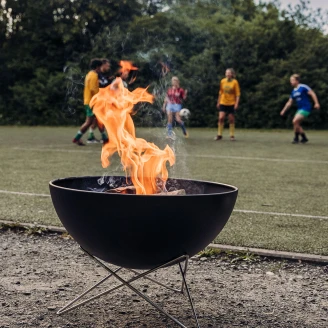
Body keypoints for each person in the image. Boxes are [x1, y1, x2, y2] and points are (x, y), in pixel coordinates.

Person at [72, 58, 108, 146]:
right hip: (93, 102)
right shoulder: (94, 75)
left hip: (89, 101)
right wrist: (101, 96)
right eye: (100, 67)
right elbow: (93, 89)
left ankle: (105, 139)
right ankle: (77, 138)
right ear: (97, 67)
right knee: (89, 121)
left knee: (98, 120)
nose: (100, 69)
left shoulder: (89, 74)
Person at [280, 74, 320, 144]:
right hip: (300, 109)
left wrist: (316, 103)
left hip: (306, 107)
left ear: (297, 81)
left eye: (292, 80)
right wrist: (284, 110)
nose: (291, 82)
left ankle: (296, 138)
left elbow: (312, 93)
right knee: (296, 123)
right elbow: (289, 102)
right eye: (290, 80)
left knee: (295, 121)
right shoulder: (293, 91)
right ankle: (303, 138)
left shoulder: (303, 87)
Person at [87, 58, 111, 143]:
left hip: (101, 99)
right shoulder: (97, 74)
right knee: (98, 119)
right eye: (107, 65)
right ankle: (102, 137)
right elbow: (97, 87)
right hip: (98, 100)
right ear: (102, 65)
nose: (108, 67)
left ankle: (93, 136)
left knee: (95, 119)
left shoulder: (101, 74)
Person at [215, 68, 240, 141]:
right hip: (223, 102)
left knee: (231, 119)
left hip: (231, 103)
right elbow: (220, 92)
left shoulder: (235, 82)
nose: (228, 74)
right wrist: (218, 101)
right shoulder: (222, 81)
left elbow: (238, 94)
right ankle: (219, 135)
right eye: (227, 73)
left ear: (232, 74)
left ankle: (232, 135)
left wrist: (236, 103)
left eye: (229, 73)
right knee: (221, 118)